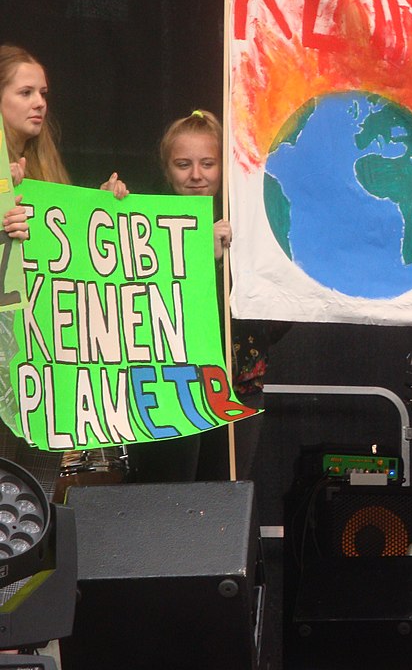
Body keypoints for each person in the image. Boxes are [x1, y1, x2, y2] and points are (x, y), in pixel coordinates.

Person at [0, 43, 128, 500]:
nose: (39, 102)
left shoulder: (46, 170)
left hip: (43, 363)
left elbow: (69, 257)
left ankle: (22, 575)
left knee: (31, 500)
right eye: (25, 92)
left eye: (43, 92)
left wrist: (100, 209)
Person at [128, 109, 275, 483]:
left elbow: (275, 306)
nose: (196, 175)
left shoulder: (253, 224)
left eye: (208, 163)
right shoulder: (146, 227)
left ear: (224, 166)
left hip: (238, 384)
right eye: (183, 164)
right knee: (167, 497)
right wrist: (198, 256)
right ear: (166, 169)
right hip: (167, 384)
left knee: (225, 500)